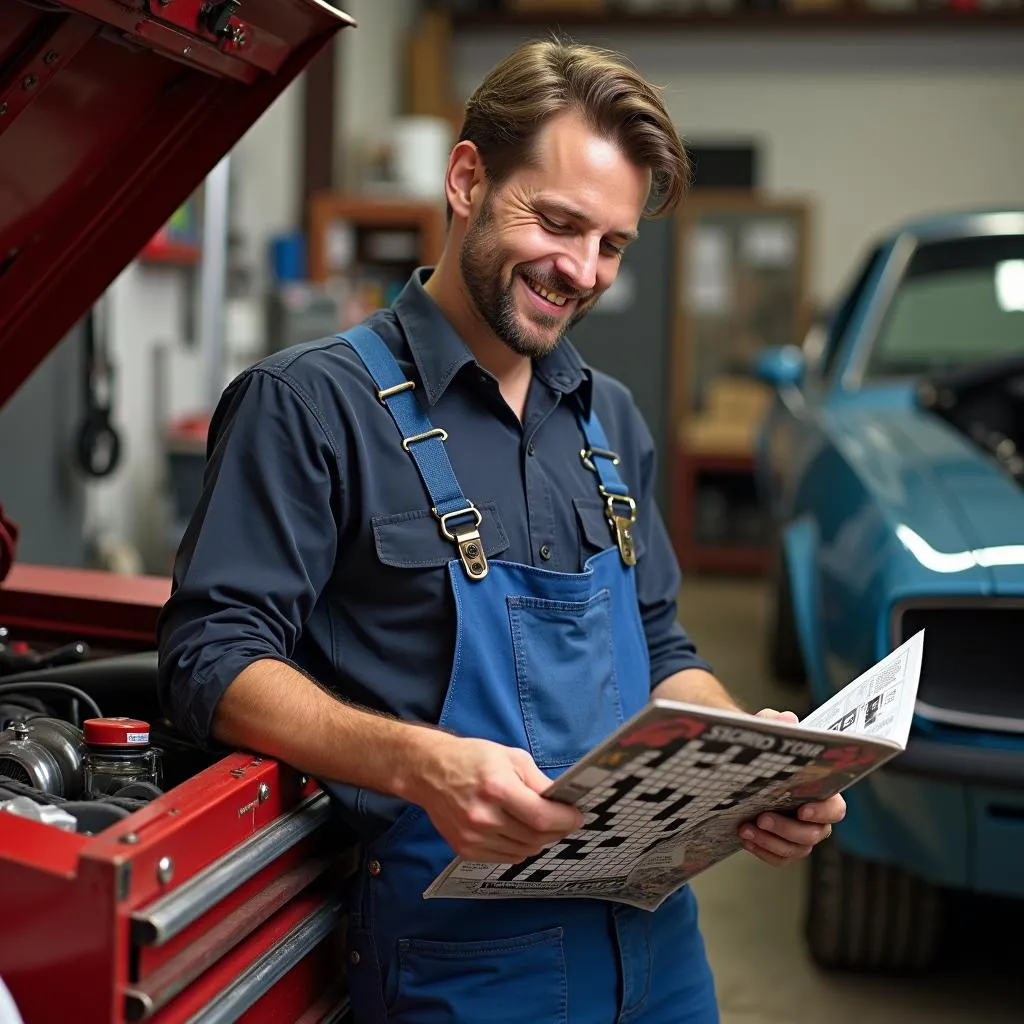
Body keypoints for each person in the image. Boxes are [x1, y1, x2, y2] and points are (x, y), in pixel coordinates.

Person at [158, 38, 845, 1024]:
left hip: (658, 956)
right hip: (463, 969)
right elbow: (209, 658)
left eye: (611, 244)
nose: (582, 271)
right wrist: (423, 763)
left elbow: (659, 646)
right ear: (467, 178)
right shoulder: (310, 407)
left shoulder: (610, 420)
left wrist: (750, 753)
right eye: (558, 223)